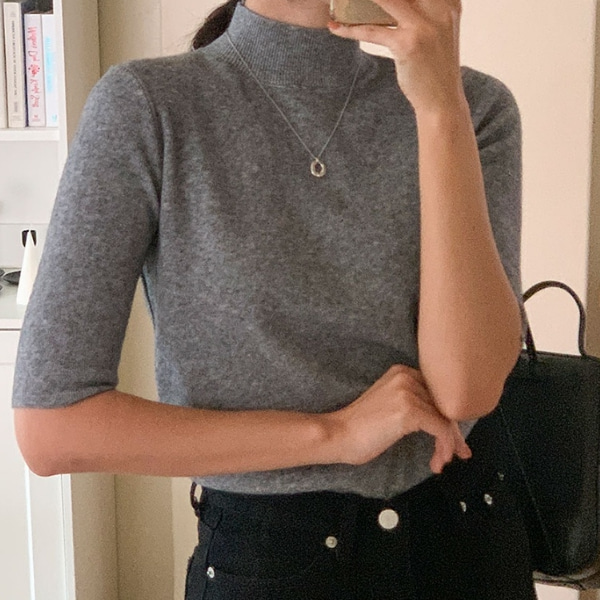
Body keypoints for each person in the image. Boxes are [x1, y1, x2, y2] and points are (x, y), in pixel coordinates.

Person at [12, 0, 534, 597]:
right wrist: (333, 434)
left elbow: (466, 388)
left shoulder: (475, 108)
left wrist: (440, 110)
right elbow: (52, 426)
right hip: (267, 563)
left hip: (465, 541)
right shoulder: (149, 106)